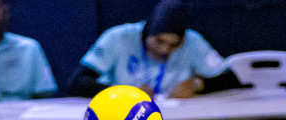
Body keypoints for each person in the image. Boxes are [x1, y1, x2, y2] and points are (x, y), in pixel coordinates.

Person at [67, 0, 242, 100]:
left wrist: (198, 85)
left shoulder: (193, 41)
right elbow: (77, 83)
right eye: (159, 42)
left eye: (173, 45)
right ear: (146, 33)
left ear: (182, 40)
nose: (165, 50)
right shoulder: (118, 37)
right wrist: (127, 94)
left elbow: (231, 79)